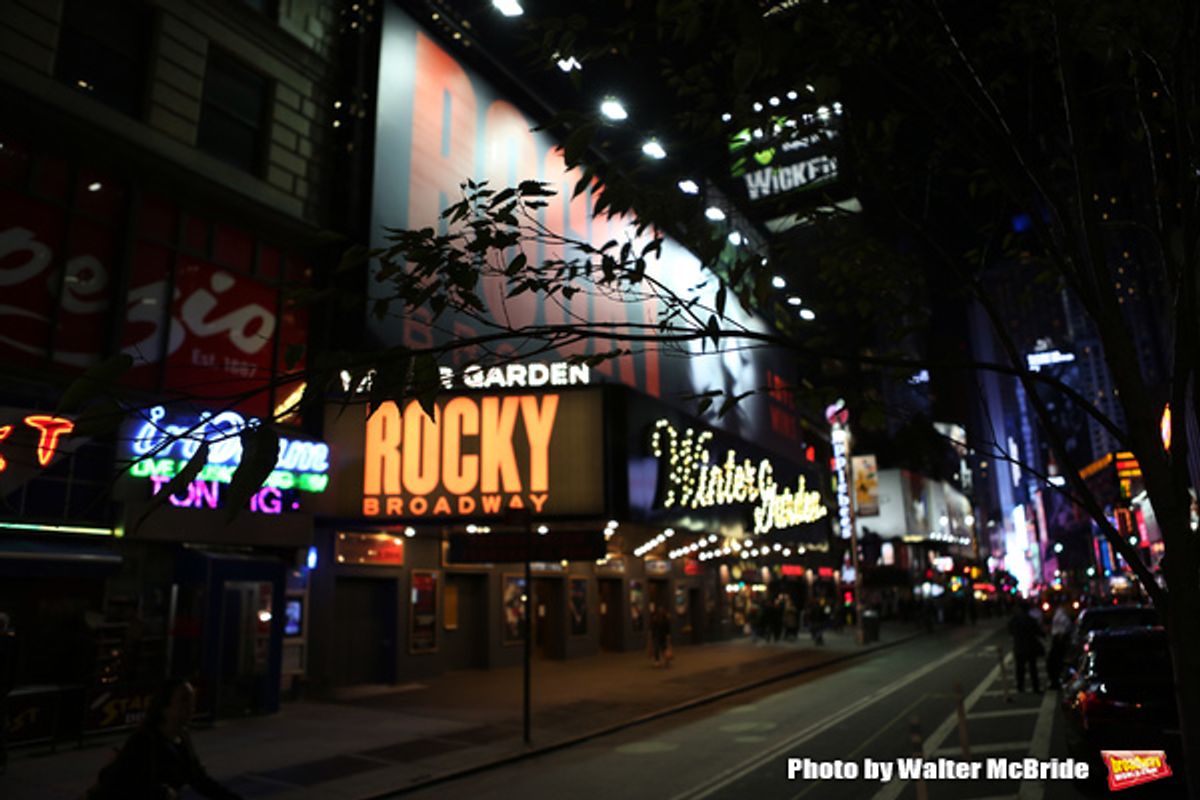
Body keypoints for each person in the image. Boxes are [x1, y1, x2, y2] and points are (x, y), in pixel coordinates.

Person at [87, 678, 242, 799]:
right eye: (184, 700)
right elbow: (120, 784)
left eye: (192, 700)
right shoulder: (145, 741)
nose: (191, 706)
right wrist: (160, 792)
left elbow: (199, 779)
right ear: (165, 707)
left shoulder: (182, 738)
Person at [1008, 601, 1045, 693]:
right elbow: (1039, 632)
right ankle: (1035, 687)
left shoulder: (1014, 620)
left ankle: (1020, 686)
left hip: (1019, 647)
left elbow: (1010, 631)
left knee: (1020, 668)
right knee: (1033, 668)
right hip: (1030, 647)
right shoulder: (1031, 620)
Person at [1046, 604, 1074, 689]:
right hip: (1060, 640)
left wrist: (1060, 636)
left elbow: (1064, 628)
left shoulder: (1061, 616)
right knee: (1056, 662)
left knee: (1055, 662)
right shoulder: (1062, 615)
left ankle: (1056, 681)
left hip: (1060, 642)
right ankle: (1056, 681)